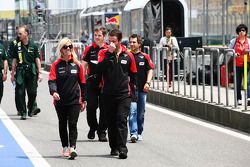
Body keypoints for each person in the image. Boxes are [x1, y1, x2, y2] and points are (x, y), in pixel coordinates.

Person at [97, 29, 137, 159]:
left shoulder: (128, 55)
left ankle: (122, 149)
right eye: (109, 41)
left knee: (121, 120)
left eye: (114, 41)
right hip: (107, 94)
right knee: (111, 122)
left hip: (124, 94)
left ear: (119, 41)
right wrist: (109, 53)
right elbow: (99, 69)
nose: (111, 44)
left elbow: (133, 75)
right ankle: (113, 146)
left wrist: (134, 92)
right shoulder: (104, 52)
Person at [48, 37, 87, 160]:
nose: (69, 49)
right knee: (62, 123)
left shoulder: (77, 64)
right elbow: (51, 80)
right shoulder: (56, 65)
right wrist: (54, 92)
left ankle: (73, 148)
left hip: (75, 100)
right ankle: (65, 146)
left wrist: (84, 100)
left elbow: (83, 83)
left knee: (73, 123)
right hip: (60, 101)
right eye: (66, 47)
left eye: (70, 46)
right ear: (61, 49)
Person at [10, 25, 42, 120]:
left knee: (33, 93)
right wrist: (12, 74)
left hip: (31, 71)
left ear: (26, 33)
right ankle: (23, 112)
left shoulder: (34, 45)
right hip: (20, 71)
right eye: (18, 33)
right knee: (20, 93)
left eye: (20, 33)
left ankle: (31, 108)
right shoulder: (17, 46)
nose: (18, 35)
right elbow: (14, 61)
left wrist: (40, 73)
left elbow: (37, 59)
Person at [82, 27, 108, 142]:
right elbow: (83, 65)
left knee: (105, 108)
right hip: (91, 82)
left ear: (104, 37)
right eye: (95, 35)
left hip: (105, 83)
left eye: (99, 35)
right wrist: (81, 81)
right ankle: (93, 127)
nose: (97, 37)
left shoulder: (108, 49)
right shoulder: (89, 49)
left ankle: (102, 132)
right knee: (91, 107)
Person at [128, 34, 154, 143]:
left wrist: (148, 82)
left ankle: (139, 132)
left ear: (139, 44)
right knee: (132, 112)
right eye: (130, 42)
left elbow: (150, 69)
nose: (132, 44)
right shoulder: (127, 56)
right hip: (130, 90)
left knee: (141, 112)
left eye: (134, 42)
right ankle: (133, 133)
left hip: (142, 89)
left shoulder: (145, 56)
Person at [228, 24, 250, 105]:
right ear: (238, 32)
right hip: (237, 65)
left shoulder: (249, 41)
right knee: (237, 82)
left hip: (247, 64)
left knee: (247, 81)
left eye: (243, 30)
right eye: (240, 30)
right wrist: (234, 54)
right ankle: (239, 98)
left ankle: (248, 98)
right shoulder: (234, 41)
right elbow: (229, 51)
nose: (241, 32)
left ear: (246, 32)